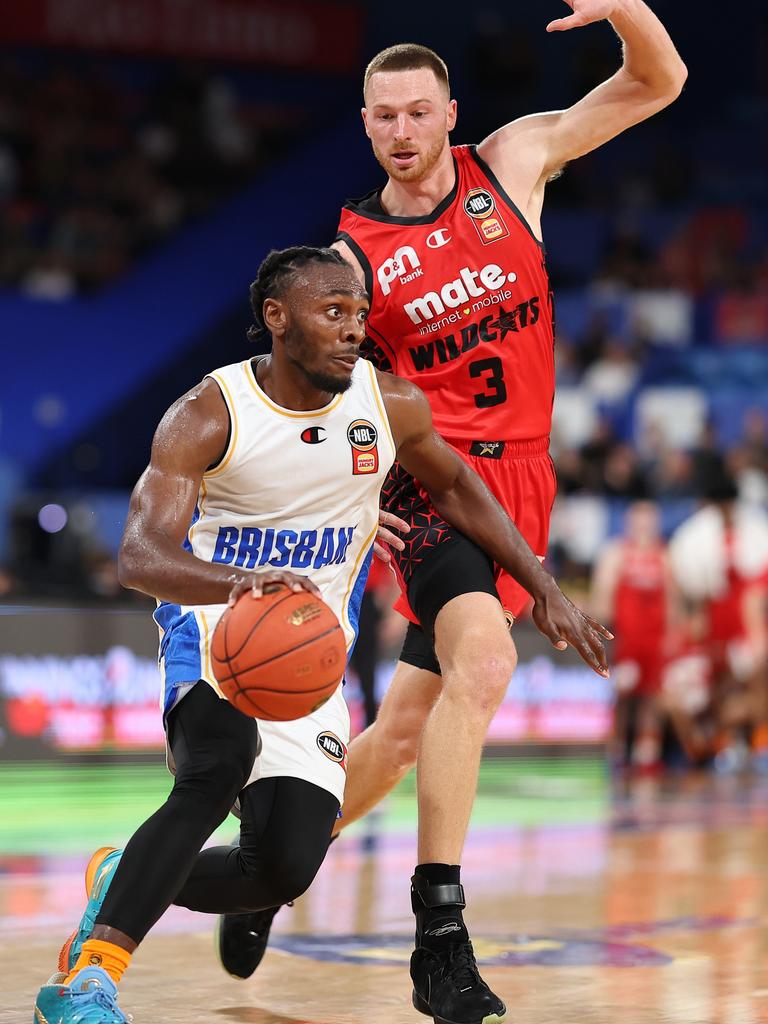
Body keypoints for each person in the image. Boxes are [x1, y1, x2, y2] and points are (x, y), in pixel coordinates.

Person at [220, 9, 685, 1020]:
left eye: (418, 111)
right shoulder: (352, 257)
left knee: (398, 734)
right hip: (430, 484)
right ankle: (440, 938)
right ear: (365, 124)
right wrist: (347, 496)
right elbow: (323, 399)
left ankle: (267, 872)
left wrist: (629, 13)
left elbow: (658, 83)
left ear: (450, 115)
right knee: (486, 663)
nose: (401, 128)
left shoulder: (513, 163)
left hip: (523, 482)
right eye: (383, 115)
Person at [34, 246, 609, 1024]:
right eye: (332, 312)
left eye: (358, 314)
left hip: (306, 650)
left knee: (283, 869)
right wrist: (238, 585)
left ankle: (121, 875)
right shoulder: (210, 412)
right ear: (277, 319)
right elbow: (139, 555)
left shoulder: (392, 405)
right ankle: (86, 986)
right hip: (214, 624)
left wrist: (544, 585)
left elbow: (459, 484)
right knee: (214, 771)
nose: (352, 329)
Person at [591, 501, 672, 772]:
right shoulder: (616, 553)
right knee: (621, 694)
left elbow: (673, 600)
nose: (644, 527)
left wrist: (674, 635)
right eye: (639, 520)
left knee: (652, 695)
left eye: (649, 521)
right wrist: (606, 635)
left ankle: (646, 749)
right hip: (626, 639)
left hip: (655, 639)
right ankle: (614, 747)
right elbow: (602, 599)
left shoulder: (664, 555)